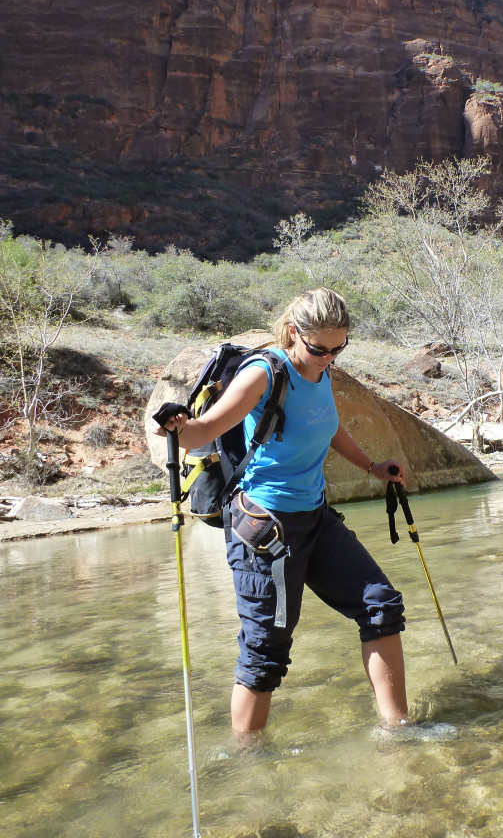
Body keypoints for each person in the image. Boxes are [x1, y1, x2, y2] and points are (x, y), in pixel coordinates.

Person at [153, 287, 409, 746]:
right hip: (265, 528)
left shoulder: (321, 372)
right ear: (294, 332)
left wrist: (372, 466)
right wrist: (178, 426)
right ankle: (248, 760)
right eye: (319, 348)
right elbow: (204, 431)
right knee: (266, 648)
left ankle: (399, 732)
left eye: (338, 349)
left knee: (380, 605)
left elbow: (328, 427)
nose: (328, 358)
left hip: (316, 516)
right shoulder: (263, 372)